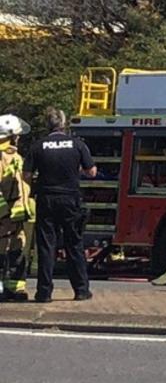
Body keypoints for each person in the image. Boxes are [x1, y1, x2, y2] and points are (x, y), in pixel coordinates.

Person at [23, 107, 95, 302]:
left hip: (46, 199)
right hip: (70, 199)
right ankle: (81, 290)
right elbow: (92, 172)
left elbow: (27, 175)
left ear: (48, 124)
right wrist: (75, 169)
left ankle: (44, 293)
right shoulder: (77, 144)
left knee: (47, 247)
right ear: (64, 124)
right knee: (74, 245)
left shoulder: (38, 146)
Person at [0, 114, 33, 302]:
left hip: (15, 218)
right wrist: (3, 213)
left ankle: (15, 288)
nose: (19, 138)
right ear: (10, 135)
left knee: (17, 251)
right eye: (17, 135)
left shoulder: (15, 156)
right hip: (4, 219)